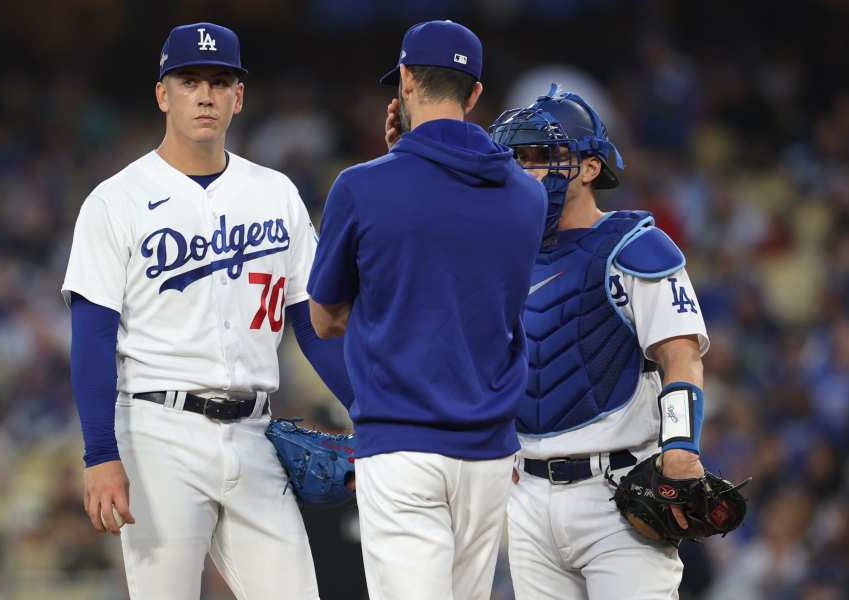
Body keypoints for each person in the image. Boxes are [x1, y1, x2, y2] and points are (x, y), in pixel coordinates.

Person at [61, 22, 352, 600]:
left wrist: (368, 410)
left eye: (220, 82)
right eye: (189, 80)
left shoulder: (275, 193)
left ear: (238, 97)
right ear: (162, 93)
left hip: (255, 431)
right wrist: (100, 455)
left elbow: (313, 326)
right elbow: (91, 336)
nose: (205, 94)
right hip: (156, 434)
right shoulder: (115, 200)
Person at [306, 19, 546, 600]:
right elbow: (466, 276)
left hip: (402, 445)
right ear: (476, 93)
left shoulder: (362, 188)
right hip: (490, 455)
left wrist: (396, 164)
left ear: (406, 81)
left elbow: (324, 319)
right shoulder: (528, 195)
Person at [488, 85, 710, 599]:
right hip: (525, 493)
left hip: (619, 494)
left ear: (589, 167)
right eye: (516, 156)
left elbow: (680, 354)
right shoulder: (501, 255)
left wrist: (680, 445)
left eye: (541, 155)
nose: (525, 169)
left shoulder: (635, 246)